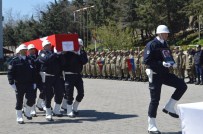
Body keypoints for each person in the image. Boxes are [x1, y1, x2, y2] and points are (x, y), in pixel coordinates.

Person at [143, 25, 187, 134]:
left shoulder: (165, 44)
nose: (167, 35)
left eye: (167, 33)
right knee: (155, 100)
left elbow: (168, 56)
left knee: (182, 85)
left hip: (165, 73)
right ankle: (151, 126)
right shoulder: (151, 44)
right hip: (155, 74)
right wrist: (161, 63)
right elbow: (147, 61)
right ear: (159, 33)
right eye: (165, 33)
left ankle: (169, 106)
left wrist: (172, 63)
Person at [7, 44, 37, 124]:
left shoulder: (30, 60)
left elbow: (34, 72)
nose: (24, 51)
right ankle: (19, 116)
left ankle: (27, 112)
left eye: (25, 50)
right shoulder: (14, 61)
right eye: (22, 50)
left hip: (29, 84)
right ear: (19, 51)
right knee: (19, 100)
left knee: (31, 98)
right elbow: (10, 73)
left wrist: (34, 82)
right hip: (19, 84)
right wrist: (11, 83)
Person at [37, 40, 64, 121]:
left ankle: (56, 110)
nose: (49, 46)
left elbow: (61, 62)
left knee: (60, 92)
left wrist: (60, 54)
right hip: (47, 76)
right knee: (48, 94)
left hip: (56, 76)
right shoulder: (41, 53)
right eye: (47, 45)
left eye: (49, 45)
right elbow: (46, 60)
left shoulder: (53, 53)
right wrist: (55, 54)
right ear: (44, 46)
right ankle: (48, 113)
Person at [60, 38, 88, 117]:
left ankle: (74, 107)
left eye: (80, 46)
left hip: (78, 75)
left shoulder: (82, 53)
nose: (79, 47)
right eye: (77, 45)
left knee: (81, 93)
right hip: (69, 75)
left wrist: (78, 54)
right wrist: (66, 52)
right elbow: (63, 61)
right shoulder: (68, 53)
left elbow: (84, 61)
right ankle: (69, 111)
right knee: (69, 94)